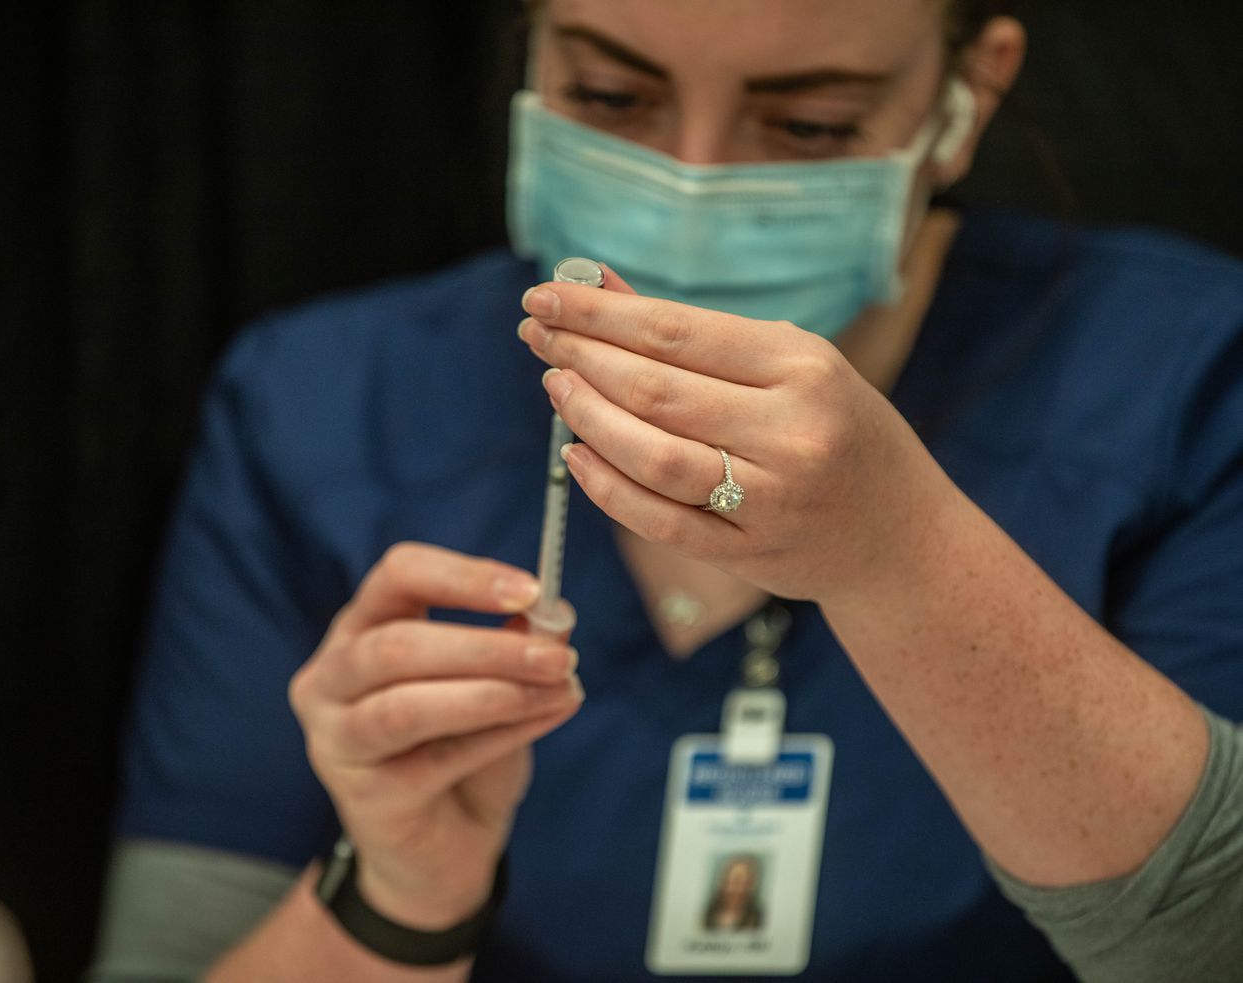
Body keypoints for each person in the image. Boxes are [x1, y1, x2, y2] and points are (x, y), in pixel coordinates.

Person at [89, 1, 1243, 981]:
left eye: (806, 124)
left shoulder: (1183, 376)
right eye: (607, 96)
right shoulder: (325, 404)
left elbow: (1206, 942)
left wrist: (896, 551)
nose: (691, 178)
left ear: (964, 99)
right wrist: (394, 896)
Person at [703, 856, 765, 933]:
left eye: (739, 882)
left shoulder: (758, 918)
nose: (733, 888)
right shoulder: (707, 913)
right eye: (729, 881)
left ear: (751, 886)